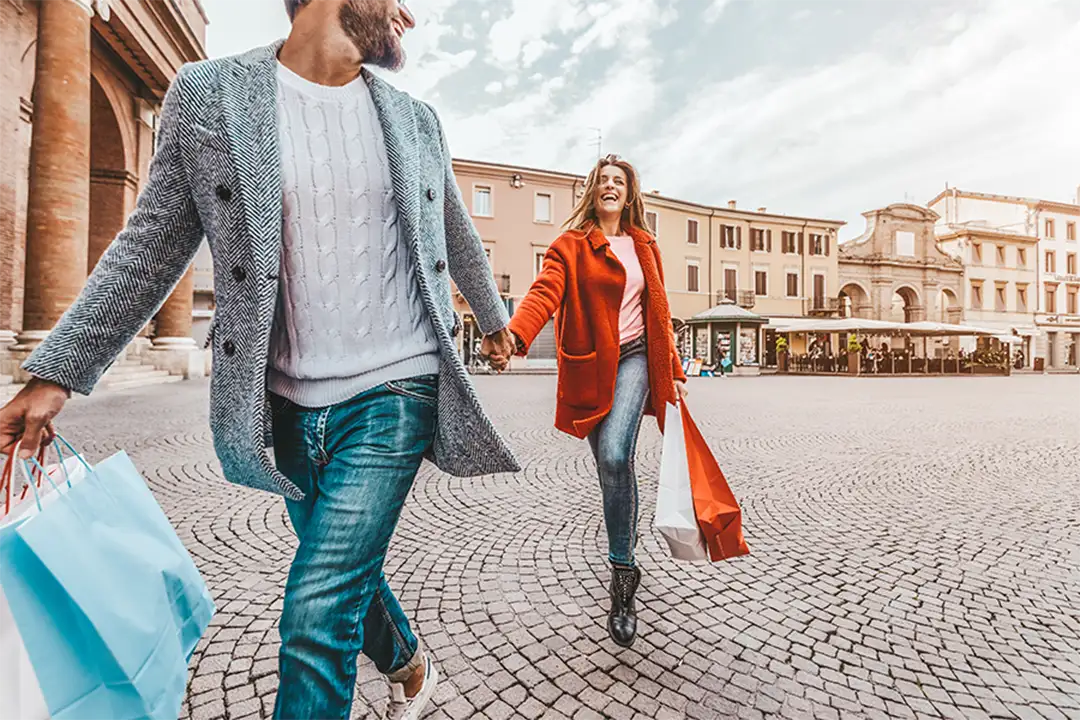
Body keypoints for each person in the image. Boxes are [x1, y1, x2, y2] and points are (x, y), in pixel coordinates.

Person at [0, 1, 520, 718]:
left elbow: (452, 227)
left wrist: (493, 321)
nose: (409, 14)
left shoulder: (415, 118)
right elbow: (152, 243)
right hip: (281, 402)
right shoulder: (209, 94)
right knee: (341, 577)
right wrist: (55, 373)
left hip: (397, 387)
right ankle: (409, 667)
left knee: (316, 610)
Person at [506, 154, 688, 648]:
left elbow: (660, 310)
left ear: (630, 193)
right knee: (610, 468)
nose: (610, 187)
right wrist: (516, 336)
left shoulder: (645, 244)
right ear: (593, 192)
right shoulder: (570, 245)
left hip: (635, 360)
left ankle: (623, 576)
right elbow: (545, 292)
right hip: (591, 366)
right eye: (603, 181)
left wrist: (670, 369)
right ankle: (625, 556)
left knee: (614, 455)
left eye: (619, 182)